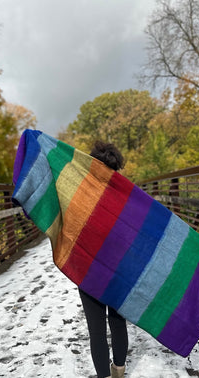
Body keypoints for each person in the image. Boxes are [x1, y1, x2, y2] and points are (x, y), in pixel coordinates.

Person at [79, 141, 128, 378]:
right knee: (118, 322)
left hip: (88, 271)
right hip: (118, 270)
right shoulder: (126, 196)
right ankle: (119, 372)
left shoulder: (80, 196)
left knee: (96, 331)